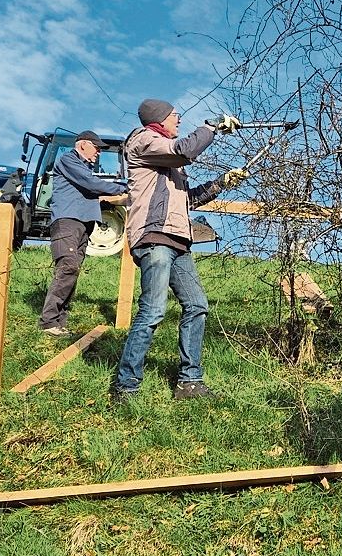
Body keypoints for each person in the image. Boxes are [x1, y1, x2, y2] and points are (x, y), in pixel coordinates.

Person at [110, 99, 245, 402]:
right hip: (154, 238)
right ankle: (126, 386)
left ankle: (189, 382)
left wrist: (221, 183)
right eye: (175, 116)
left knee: (197, 305)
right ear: (158, 118)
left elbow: (187, 202)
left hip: (177, 241)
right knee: (153, 310)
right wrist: (211, 127)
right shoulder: (144, 141)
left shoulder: (168, 161)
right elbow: (185, 150)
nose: (179, 119)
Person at [37, 130, 128, 336]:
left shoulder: (83, 167)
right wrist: (124, 187)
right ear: (83, 144)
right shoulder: (69, 160)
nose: (98, 153)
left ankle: (59, 323)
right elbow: (91, 184)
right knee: (68, 267)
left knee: (73, 269)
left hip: (82, 224)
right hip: (68, 221)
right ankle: (49, 322)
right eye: (96, 148)